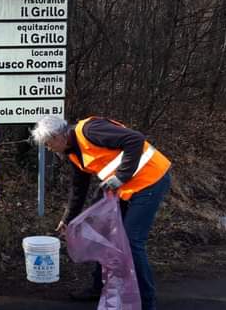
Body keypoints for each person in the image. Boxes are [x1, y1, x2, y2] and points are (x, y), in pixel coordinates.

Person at [31, 115, 171, 310]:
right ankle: (98, 287)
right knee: (103, 232)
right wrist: (67, 220)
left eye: (48, 144)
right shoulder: (73, 153)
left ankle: (148, 302)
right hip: (126, 187)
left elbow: (135, 139)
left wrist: (121, 177)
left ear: (57, 137)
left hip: (150, 180)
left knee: (131, 242)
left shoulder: (91, 130)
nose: (48, 148)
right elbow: (78, 188)